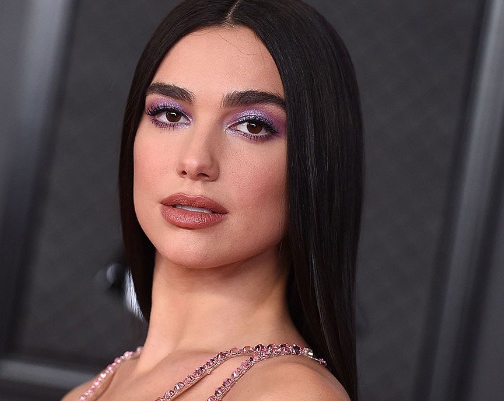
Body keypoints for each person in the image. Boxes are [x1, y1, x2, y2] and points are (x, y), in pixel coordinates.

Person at [63, 0, 363, 399]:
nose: (195, 161)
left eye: (252, 125)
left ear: (315, 161)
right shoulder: (91, 391)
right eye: (170, 115)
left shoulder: (291, 394)